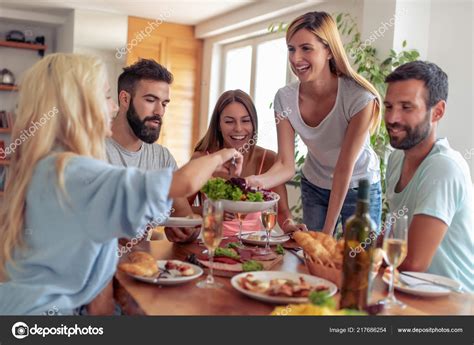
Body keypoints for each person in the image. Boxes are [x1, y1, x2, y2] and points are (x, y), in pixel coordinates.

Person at [0, 53, 243, 315]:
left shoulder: (47, 165)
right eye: (106, 97)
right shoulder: (77, 171)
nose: (114, 107)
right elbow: (182, 183)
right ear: (78, 105)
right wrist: (221, 155)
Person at [246, 11, 382, 235]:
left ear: (328, 50)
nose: (295, 58)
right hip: (315, 185)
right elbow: (285, 164)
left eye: (306, 48)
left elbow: (343, 168)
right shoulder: (285, 98)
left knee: (356, 263)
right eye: (291, 49)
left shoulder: (359, 98)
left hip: (358, 186)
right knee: (311, 259)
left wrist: (326, 234)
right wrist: (256, 181)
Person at [384, 61, 473, 291]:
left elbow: (414, 262)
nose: (392, 118)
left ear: (438, 111)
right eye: (389, 106)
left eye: (406, 107)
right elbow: (393, 236)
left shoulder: (444, 167)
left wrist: (360, 261)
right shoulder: (396, 159)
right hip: (410, 293)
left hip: (455, 305)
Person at [191, 90, 307, 236]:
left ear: (254, 124)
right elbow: (177, 208)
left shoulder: (268, 159)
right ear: (218, 125)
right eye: (229, 121)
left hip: (253, 247)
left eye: (245, 120)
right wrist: (208, 211)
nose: (238, 128)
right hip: (210, 244)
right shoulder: (202, 158)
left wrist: (290, 226)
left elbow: (283, 213)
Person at [107, 59, 199, 243]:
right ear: (125, 99)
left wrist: (184, 231)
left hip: (144, 266)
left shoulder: (162, 158)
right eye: (151, 100)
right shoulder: (92, 149)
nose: (159, 111)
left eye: (164, 103)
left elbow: (186, 220)